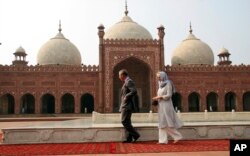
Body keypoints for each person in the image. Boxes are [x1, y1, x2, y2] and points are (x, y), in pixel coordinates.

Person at [152, 71, 183, 144]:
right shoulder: (160, 84)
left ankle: (177, 136)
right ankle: (162, 140)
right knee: (162, 122)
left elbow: (169, 95)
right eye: (157, 77)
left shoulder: (168, 83)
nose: (158, 78)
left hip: (166, 105)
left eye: (159, 77)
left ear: (163, 76)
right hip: (161, 105)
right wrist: (157, 99)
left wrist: (159, 97)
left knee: (166, 122)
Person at [119, 69, 140, 143]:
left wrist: (126, 96)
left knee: (124, 121)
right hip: (126, 105)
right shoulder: (126, 82)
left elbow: (134, 91)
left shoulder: (129, 81)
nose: (119, 77)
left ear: (122, 75)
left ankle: (136, 135)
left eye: (119, 75)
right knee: (127, 122)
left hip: (127, 105)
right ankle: (129, 138)